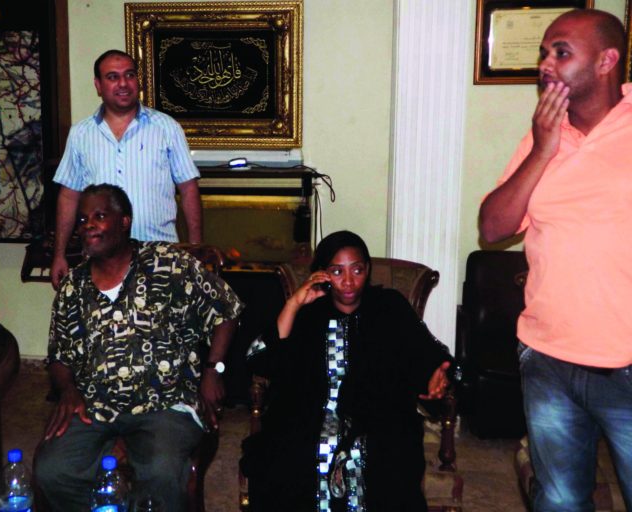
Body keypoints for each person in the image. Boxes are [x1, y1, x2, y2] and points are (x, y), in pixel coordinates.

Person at [479, 9, 632, 511]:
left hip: (626, 365)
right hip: (547, 359)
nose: (545, 63)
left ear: (607, 60)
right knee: (560, 502)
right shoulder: (544, 132)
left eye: (561, 52)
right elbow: (493, 228)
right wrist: (543, 150)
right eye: (543, 52)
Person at [34, 184, 242, 512]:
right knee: (52, 470)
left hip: (165, 402)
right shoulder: (73, 286)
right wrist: (68, 389)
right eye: (83, 218)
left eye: (99, 216)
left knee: (161, 472)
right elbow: (59, 355)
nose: (87, 224)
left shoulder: (168, 263)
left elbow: (227, 309)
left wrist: (213, 369)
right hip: (94, 405)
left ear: (124, 221)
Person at [239, 230, 451, 511]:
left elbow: (426, 352)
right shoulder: (309, 312)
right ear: (322, 274)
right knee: (291, 459)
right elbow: (259, 357)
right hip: (308, 416)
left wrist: (437, 374)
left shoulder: (389, 307)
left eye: (357, 270)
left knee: (384, 460)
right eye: (337, 271)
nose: (349, 281)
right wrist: (294, 304)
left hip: (380, 416)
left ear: (368, 271)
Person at [50, 49, 202, 290]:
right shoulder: (81, 134)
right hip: (101, 262)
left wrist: (196, 249)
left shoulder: (166, 128)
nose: (123, 83)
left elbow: (189, 189)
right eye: (112, 77)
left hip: (160, 258)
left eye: (129, 75)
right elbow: (69, 196)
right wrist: (59, 254)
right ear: (98, 85)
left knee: (160, 327)